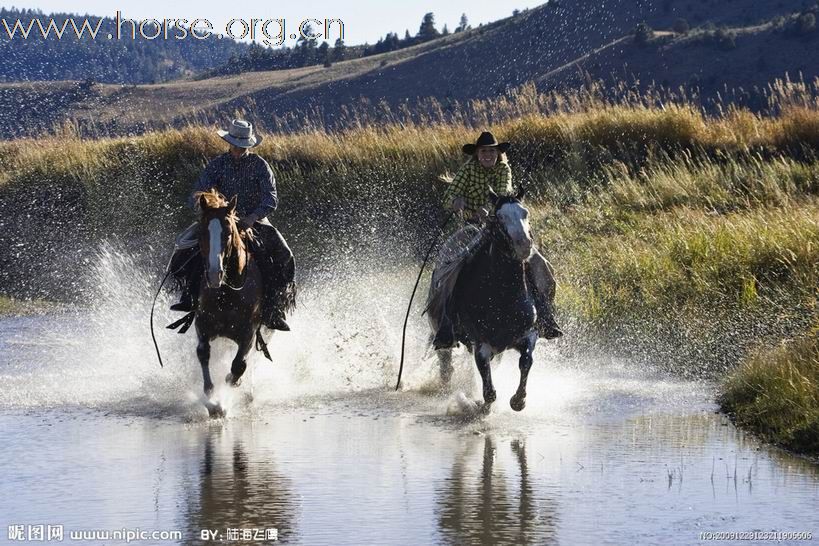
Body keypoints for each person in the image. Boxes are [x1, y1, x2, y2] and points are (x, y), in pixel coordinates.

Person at [428, 131, 562, 349]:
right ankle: (446, 322)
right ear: (477, 154)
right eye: (483, 152)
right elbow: (448, 196)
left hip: (502, 226)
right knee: (454, 268)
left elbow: (503, 194)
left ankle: (545, 314)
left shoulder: (503, 169)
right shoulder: (467, 170)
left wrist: (490, 211)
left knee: (538, 263)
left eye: (491, 151)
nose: (488, 155)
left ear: (497, 154)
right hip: (470, 228)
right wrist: (459, 203)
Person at [168, 119, 295, 331]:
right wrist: (209, 207)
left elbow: (270, 199)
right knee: (183, 249)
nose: (238, 148)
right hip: (219, 218)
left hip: (254, 220)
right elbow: (198, 190)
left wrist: (252, 217)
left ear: (248, 145)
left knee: (284, 255)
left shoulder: (260, 165)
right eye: (235, 143)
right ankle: (189, 297)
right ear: (229, 142)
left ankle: (273, 308)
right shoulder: (217, 164)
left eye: (242, 144)